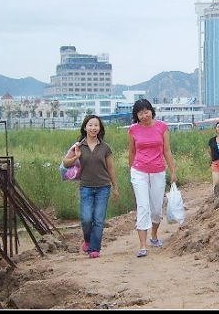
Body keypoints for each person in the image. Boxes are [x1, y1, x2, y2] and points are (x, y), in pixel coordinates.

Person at [62, 115, 119, 258]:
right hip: (86, 187)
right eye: (90, 125)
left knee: (99, 219)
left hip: (103, 187)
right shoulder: (79, 146)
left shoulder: (105, 147)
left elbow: (111, 168)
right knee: (86, 218)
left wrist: (115, 187)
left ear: (100, 129)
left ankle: (95, 249)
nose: (93, 128)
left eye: (96, 125)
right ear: (85, 127)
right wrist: (76, 156)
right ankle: (87, 240)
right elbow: (65, 163)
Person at [128, 99, 178, 258]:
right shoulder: (133, 130)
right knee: (143, 206)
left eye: (146, 111)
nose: (144, 115)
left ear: (151, 111)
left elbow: (167, 151)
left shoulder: (162, 127)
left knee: (156, 209)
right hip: (139, 171)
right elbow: (131, 152)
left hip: (158, 171)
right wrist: (132, 171)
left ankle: (154, 236)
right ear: (136, 115)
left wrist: (173, 171)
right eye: (140, 113)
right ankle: (142, 246)